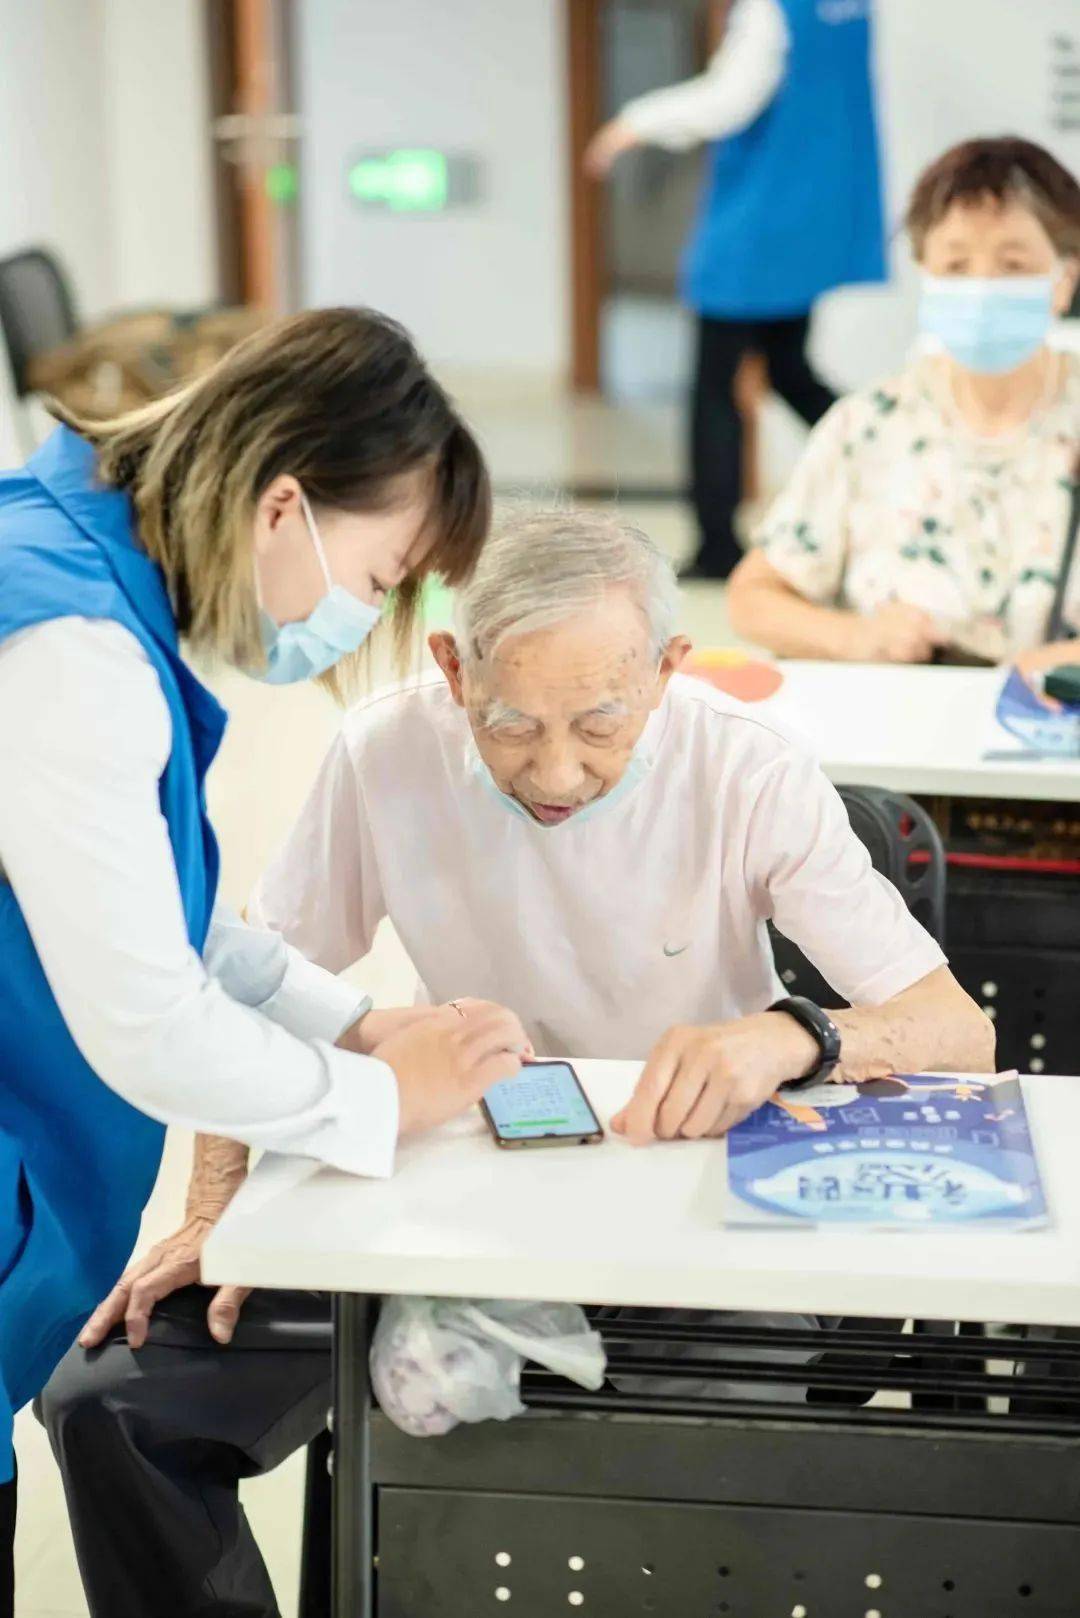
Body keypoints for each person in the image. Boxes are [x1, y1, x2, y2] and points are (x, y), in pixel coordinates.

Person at [39, 510, 992, 1618]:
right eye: (509, 722)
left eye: (599, 723)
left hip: (685, 1217)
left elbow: (954, 1029)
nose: (557, 771)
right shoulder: (384, 752)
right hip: (442, 1196)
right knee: (110, 1400)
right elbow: (249, 985)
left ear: (666, 670)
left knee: (672, 1478)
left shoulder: (747, 774)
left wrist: (797, 1032)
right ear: (451, 666)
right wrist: (216, 1211)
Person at [0, 307, 531, 1610]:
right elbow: (146, 1016)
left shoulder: (76, 556)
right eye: (378, 573)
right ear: (285, 503)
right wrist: (379, 1099)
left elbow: (168, 916)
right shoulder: (70, 649)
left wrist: (354, 1026)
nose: (369, 616)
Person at [727, 136, 1080, 670]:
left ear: (1064, 278)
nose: (982, 287)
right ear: (926, 275)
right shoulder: (870, 424)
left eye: (1013, 264)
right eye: (957, 265)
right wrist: (854, 638)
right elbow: (752, 599)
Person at [586, 0, 886, 580]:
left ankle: (719, 546)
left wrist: (634, 123)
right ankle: (889, 454)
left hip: (760, 222)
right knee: (786, 367)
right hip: (814, 215)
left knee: (716, 388)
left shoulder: (772, 10)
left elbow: (731, 100)